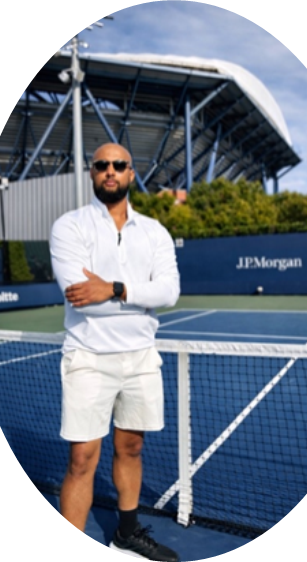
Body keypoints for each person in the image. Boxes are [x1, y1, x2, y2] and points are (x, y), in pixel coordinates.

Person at [50, 142, 180, 560]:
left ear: (131, 173)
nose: (110, 170)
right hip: (88, 356)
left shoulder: (155, 231)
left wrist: (114, 287)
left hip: (141, 358)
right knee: (82, 458)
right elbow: (77, 295)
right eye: (102, 164)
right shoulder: (69, 227)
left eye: (119, 165)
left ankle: (125, 534)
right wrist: (139, 295)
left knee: (131, 448)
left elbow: (170, 292)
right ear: (92, 173)